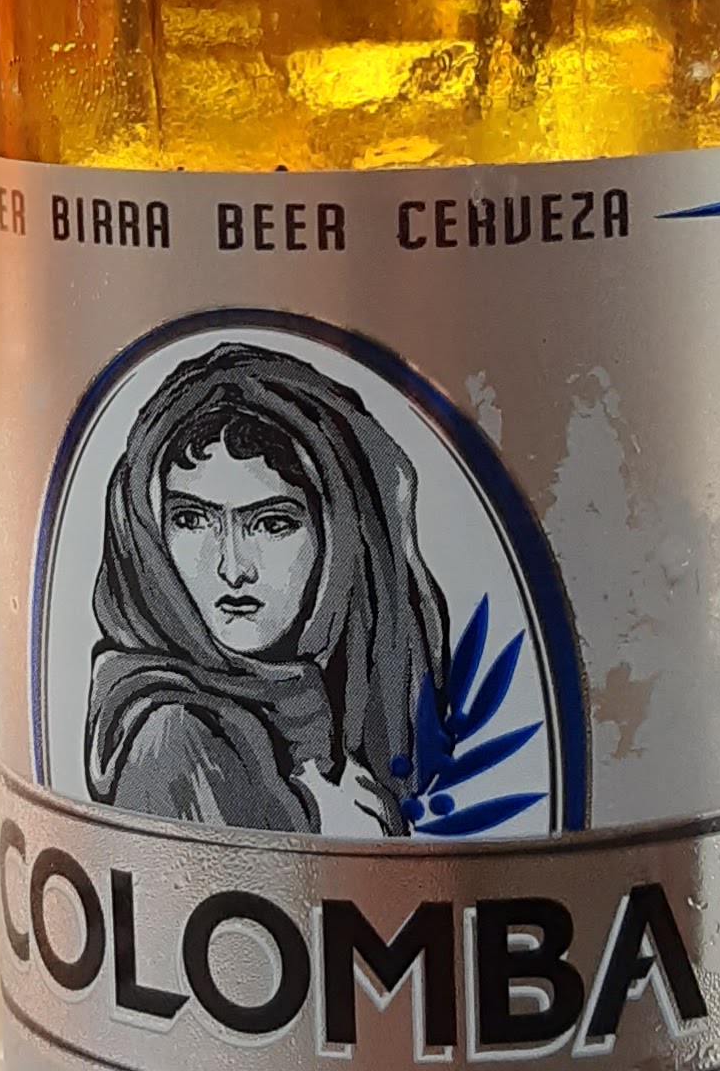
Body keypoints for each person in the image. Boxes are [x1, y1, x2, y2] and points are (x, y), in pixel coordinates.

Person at [84, 340, 449, 836]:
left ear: (338, 538)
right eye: (192, 520)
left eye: (272, 524)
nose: (233, 568)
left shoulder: (317, 719)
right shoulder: (173, 737)